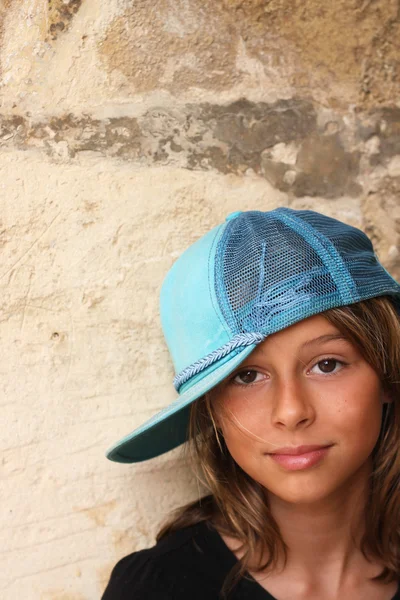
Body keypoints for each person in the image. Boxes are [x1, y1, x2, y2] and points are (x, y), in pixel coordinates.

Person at [101, 208, 400, 600]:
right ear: (211, 407)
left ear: (387, 374)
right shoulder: (157, 588)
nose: (291, 412)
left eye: (327, 365)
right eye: (246, 376)